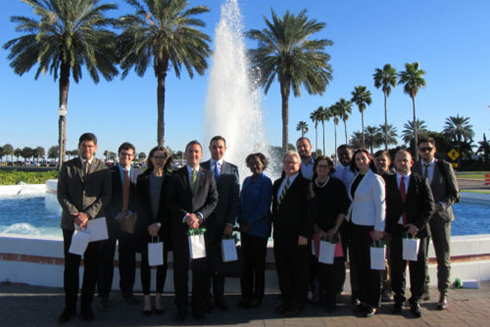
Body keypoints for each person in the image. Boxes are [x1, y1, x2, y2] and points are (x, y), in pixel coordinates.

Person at [57, 133, 112, 323]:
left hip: (94, 223)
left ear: (96, 147)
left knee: (92, 267)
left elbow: (106, 196)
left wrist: (87, 214)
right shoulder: (68, 166)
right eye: (83, 145)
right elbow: (61, 194)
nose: (86, 149)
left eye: (90, 146)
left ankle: (86, 307)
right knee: (71, 267)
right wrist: (75, 214)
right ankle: (69, 307)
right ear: (79, 146)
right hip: (71, 224)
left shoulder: (104, 168)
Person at [168, 140, 219, 321]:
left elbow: (213, 200)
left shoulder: (208, 175)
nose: (194, 155)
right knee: (180, 271)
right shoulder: (176, 175)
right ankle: (181, 307)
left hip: (200, 230)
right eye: (190, 151)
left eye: (197, 152)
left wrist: (198, 216)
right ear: (185, 153)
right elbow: (170, 202)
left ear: (202, 154)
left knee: (200, 271)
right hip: (181, 230)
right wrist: (186, 216)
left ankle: (198, 306)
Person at [385, 150, 435, 317]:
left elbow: (429, 207)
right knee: (396, 267)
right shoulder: (387, 181)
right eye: (399, 160)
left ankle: (415, 300)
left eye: (405, 160)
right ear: (394, 162)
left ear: (411, 162)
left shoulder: (421, 181)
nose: (402, 163)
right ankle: (398, 298)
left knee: (418, 267)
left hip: (416, 232)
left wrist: (417, 225)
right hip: (397, 231)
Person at [413, 137, 460, 310]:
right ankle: (424, 289)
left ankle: (443, 293)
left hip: (441, 218)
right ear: (418, 150)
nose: (425, 152)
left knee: (443, 256)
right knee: (421, 256)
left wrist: (439, 206)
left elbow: (455, 194)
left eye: (428, 149)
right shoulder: (415, 167)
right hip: (422, 220)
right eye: (422, 149)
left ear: (434, 149)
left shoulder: (444, 167)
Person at [97, 142, 141, 310]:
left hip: (129, 221)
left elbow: (139, 198)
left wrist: (129, 213)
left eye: (129, 155)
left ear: (133, 156)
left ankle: (127, 292)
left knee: (127, 259)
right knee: (105, 259)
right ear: (119, 155)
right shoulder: (109, 173)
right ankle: (104, 295)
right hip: (110, 221)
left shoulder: (138, 173)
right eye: (123, 154)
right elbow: (104, 197)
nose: (126, 157)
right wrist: (117, 214)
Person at [271, 151, 314, 317]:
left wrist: (305, 233)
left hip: (299, 237)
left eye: (293, 162)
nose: (289, 165)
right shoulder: (278, 183)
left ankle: (298, 303)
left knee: (299, 270)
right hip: (280, 235)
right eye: (287, 162)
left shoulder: (306, 184)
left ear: (299, 165)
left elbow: (310, 211)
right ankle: (286, 300)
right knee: (283, 269)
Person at [201, 136, 240, 311]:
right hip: (204, 224)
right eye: (215, 147)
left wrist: (231, 222)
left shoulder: (233, 169)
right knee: (204, 261)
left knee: (221, 262)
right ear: (209, 148)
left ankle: (219, 297)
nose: (218, 150)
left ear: (226, 148)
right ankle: (205, 296)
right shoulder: (200, 168)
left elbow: (234, 199)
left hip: (224, 224)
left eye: (221, 147)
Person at [135, 146, 172, 315]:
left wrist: (159, 224)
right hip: (145, 229)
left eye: (162, 157)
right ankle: (147, 299)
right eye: (156, 157)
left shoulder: (171, 179)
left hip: (163, 229)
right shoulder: (142, 179)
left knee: (162, 263)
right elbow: (139, 205)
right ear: (150, 159)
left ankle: (158, 297)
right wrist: (150, 225)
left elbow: (171, 207)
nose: (159, 160)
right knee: (145, 265)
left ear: (166, 159)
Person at [348, 149, 386, 317]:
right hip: (356, 226)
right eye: (357, 159)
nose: (360, 161)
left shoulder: (375, 179)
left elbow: (381, 205)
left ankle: (372, 302)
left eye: (363, 158)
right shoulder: (357, 177)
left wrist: (379, 228)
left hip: (370, 228)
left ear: (369, 159)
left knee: (372, 268)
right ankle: (363, 299)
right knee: (360, 266)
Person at [310, 156, 349, 312]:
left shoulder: (337, 184)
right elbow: (309, 211)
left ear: (330, 168)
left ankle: (333, 298)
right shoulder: (311, 186)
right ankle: (324, 295)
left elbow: (342, 208)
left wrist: (335, 228)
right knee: (321, 266)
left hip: (335, 233)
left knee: (335, 266)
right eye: (320, 166)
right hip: (318, 233)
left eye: (325, 166)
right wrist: (317, 230)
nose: (322, 169)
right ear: (315, 168)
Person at [237, 153, 273, 309]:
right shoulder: (246, 181)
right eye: (251, 163)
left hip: (258, 230)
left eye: (257, 163)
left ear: (263, 164)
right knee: (246, 265)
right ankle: (246, 295)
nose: (254, 165)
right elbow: (241, 201)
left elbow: (264, 207)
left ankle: (258, 296)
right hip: (245, 230)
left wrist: (250, 222)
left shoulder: (266, 182)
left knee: (258, 265)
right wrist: (239, 218)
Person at [330, 144, 357, 304]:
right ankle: (337, 289)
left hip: (356, 220)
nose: (343, 157)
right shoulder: (336, 172)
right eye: (340, 154)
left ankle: (357, 292)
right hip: (339, 220)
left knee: (356, 257)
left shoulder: (360, 171)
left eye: (346, 154)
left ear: (352, 154)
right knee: (339, 258)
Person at [296, 136, 319, 302]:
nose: (302, 149)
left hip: (319, 216)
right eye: (299, 147)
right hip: (301, 217)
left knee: (318, 256)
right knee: (304, 256)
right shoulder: (294, 166)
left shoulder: (320, 165)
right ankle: (305, 288)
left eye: (304, 146)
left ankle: (319, 289)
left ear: (310, 146)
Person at [373, 149, 393, 302]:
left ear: (389, 162)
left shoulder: (393, 179)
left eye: (383, 160)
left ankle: (389, 287)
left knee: (389, 259)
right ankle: (380, 286)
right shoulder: (372, 178)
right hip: (375, 225)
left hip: (390, 226)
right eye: (377, 160)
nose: (380, 163)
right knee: (379, 257)